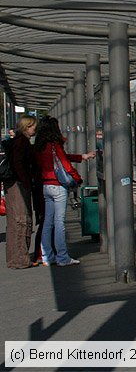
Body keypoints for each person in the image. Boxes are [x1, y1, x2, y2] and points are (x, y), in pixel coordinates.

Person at [34, 117, 95, 266]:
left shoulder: (39, 146)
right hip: (58, 186)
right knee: (59, 222)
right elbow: (65, 164)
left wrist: (81, 157)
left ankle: (47, 256)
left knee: (48, 222)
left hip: (46, 186)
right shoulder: (55, 144)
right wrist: (77, 178)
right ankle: (62, 257)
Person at [4, 115, 37, 269]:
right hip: (18, 184)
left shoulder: (15, 141)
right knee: (21, 220)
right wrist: (26, 181)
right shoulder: (22, 142)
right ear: (27, 126)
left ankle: (13, 258)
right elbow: (19, 162)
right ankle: (21, 259)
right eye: (33, 127)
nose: (35, 129)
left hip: (11, 183)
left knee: (13, 222)